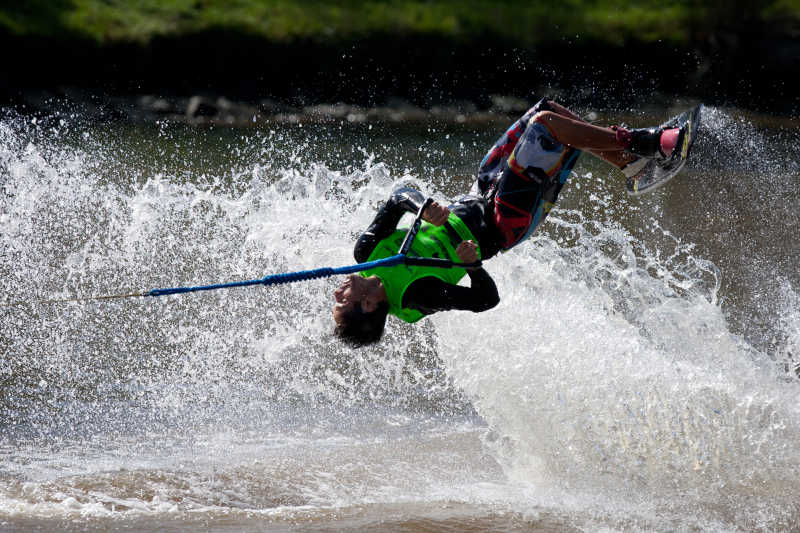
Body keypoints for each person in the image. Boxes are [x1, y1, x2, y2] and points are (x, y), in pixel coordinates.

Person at [333, 97, 681, 345]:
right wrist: (472, 266)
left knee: (549, 110)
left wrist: (421, 207)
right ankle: (650, 143)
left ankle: (633, 165)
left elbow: (398, 196)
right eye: (342, 300)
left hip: (480, 190)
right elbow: (485, 300)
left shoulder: (366, 253)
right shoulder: (416, 296)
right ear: (368, 304)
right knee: (546, 127)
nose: (337, 291)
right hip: (504, 221)